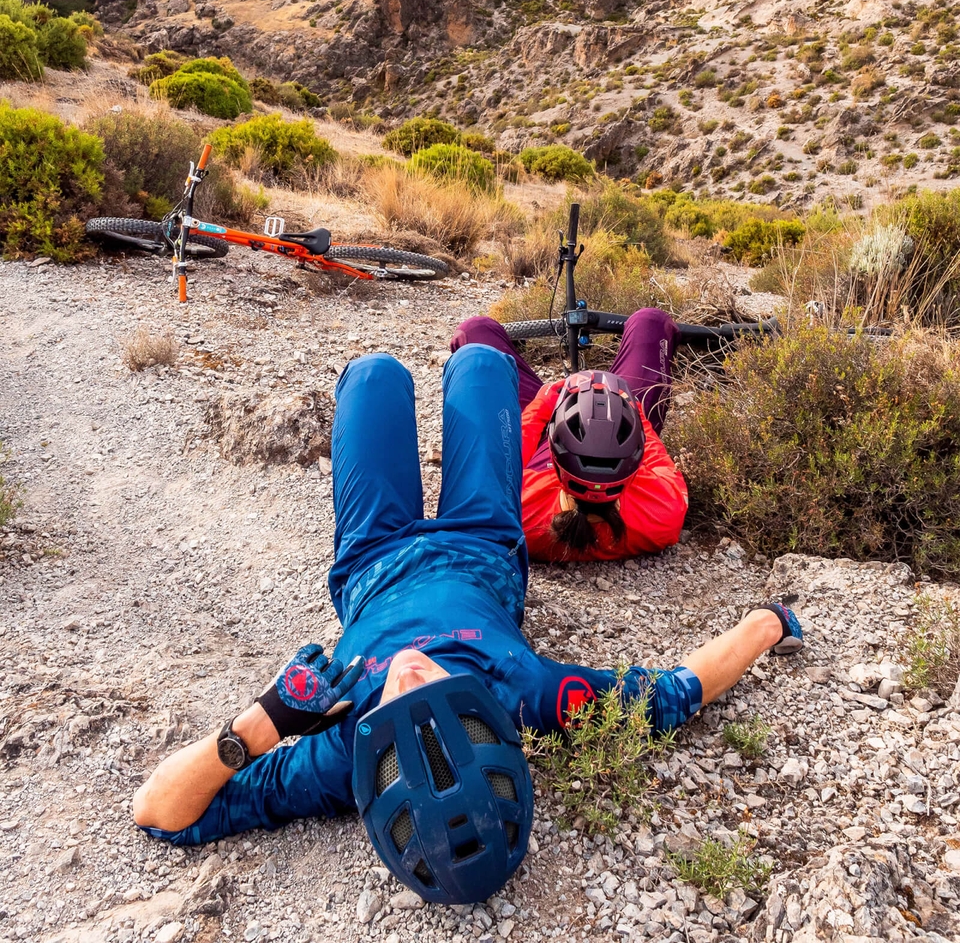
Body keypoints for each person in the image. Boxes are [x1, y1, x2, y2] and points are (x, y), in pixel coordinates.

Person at [132, 343, 805, 905]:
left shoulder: (342, 756)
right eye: (440, 690)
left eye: (400, 701)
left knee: (375, 376)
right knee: (481, 363)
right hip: (483, 541)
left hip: (372, 558)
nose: (408, 670)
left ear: (379, 767)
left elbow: (160, 813)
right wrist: (765, 625)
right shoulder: (531, 695)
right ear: (491, 723)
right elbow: (675, 693)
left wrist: (263, 721)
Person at [450, 308, 688, 562]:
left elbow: (510, 455)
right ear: (634, 461)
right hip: (616, 429)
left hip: (546, 440)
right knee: (651, 321)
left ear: (555, 463)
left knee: (474, 329)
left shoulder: (518, 510)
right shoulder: (664, 514)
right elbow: (654, 453)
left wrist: (543, 404)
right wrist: (633, 408)